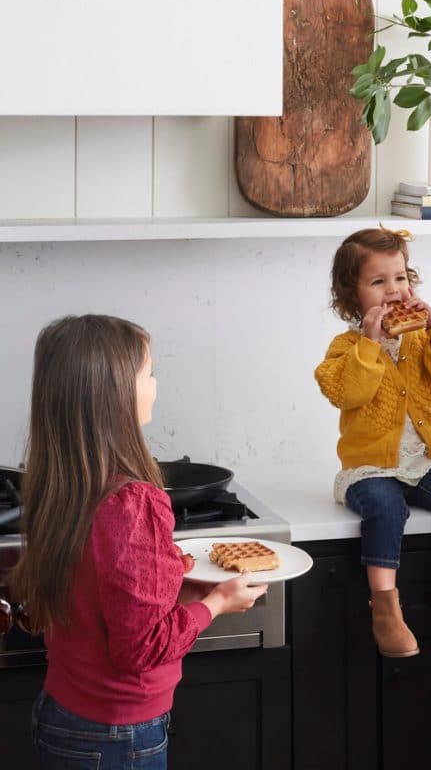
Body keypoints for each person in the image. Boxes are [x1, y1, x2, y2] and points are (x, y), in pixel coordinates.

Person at [11, 314, 267, 769]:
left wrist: (178, 589)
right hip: (116, 735)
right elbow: (142, 649)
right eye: (149, 372)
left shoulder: (61, 482)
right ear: (114, 394)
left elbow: (102, 597)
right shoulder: (134, 503)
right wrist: (218, 604)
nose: (155, 383)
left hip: (61, 712)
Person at [315, 226, 431, 659]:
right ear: (351, 295)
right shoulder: (346, 348)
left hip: (423, 460)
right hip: (369, 467)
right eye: (378, 282)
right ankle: (386, 611)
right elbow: (348, 393)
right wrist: (370, 342)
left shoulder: (422, 339)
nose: (393, 290)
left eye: (400, 278)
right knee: (385, 509)